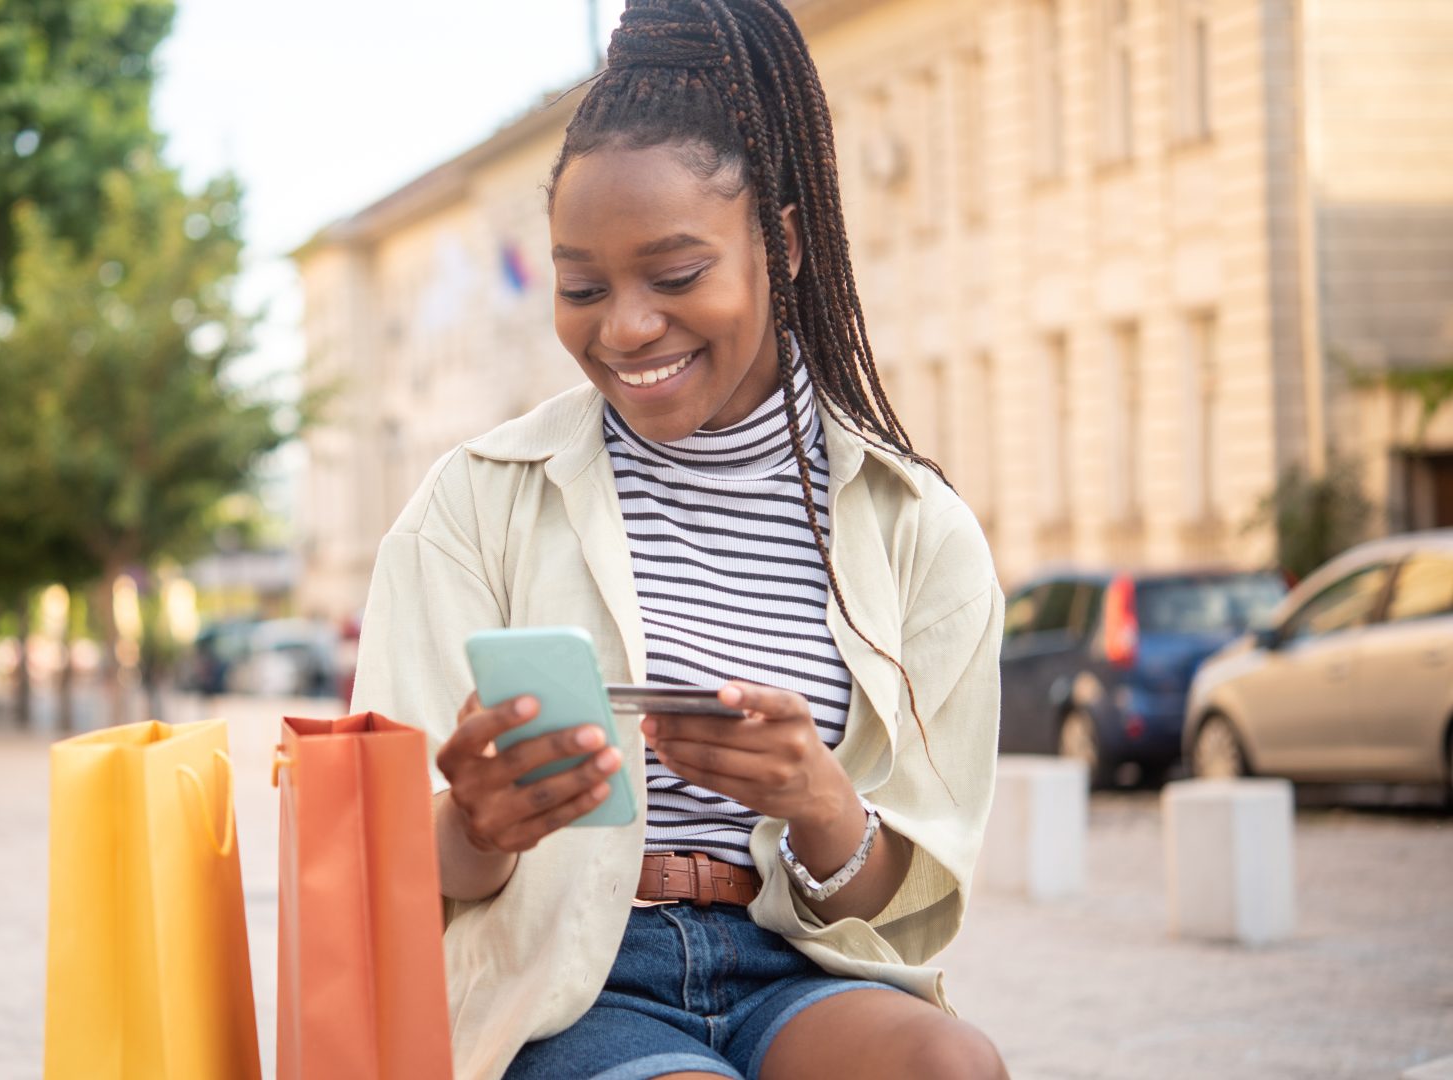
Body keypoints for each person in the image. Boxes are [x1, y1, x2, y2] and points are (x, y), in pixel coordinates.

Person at [348, 2, 1007, 1077]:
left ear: (782, 245)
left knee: (947, 1067)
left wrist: (820, 801)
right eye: (582, 287)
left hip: (797, 973)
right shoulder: (471, 506)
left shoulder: (918, 534)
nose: (625, 328)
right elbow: (378, 874)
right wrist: (477, 821)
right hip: (566, 988)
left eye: (677, 274)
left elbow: (914, 909)